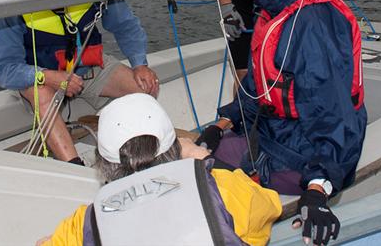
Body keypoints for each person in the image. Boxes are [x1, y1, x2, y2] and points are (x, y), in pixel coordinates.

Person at [199, 0, 367, 246]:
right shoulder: (274, 7)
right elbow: (259, 87)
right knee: (192, 150)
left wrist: (318, 188)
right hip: (274, 133)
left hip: (305, 151)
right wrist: (222, 123)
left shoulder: (313, 24)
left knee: (199, 176)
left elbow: (334, 116)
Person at [36, 93, 282, 246]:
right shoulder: (223, 189)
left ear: (103, 163)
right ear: (175, 147)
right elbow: (269, 206)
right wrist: (204, 161)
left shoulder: (87, 221)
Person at [0, 0, 160, 164]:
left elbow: (126, 26)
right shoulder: (14, 5)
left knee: (146, 87)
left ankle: (143, 156)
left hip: (88, 69)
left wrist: (139, 63)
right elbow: (4, 69)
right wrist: (46, 76)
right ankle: (74, 165)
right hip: (42, 77)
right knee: (41, 95)